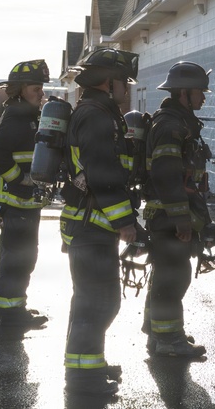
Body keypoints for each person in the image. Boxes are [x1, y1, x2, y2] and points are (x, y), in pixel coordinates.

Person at [60, 48, 140, 398]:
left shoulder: (99, 112)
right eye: (124, 82)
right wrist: (125, 222)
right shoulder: (96, 116)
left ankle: (87, 364)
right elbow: (103, 173)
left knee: (91, 301)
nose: (127, 88)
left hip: (89, 225)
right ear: (109, 82)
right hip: (92, 226)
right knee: (98, 302)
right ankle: (83, 380)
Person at [141, 61, 215, 357]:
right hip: (168, 216)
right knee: (173, 277)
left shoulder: (179, 122)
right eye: (199, 91)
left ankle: (158, 333)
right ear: (183, 92)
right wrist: (181, 219)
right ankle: (169, 340)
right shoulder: (171, 126)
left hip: (168, 215)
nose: (204, 97)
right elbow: (166, 174)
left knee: (166, 274)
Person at [0, 59, 50, 336]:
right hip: (17, 200)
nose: (41, 93)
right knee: (21, 258)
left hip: (20, 201)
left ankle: (4, 305)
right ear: (21, 89)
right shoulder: (17, 117)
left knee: (11, 256)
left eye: (41, 88)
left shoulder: (24, 113)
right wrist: (20, 179)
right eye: (36, 89)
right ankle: (12, 314)